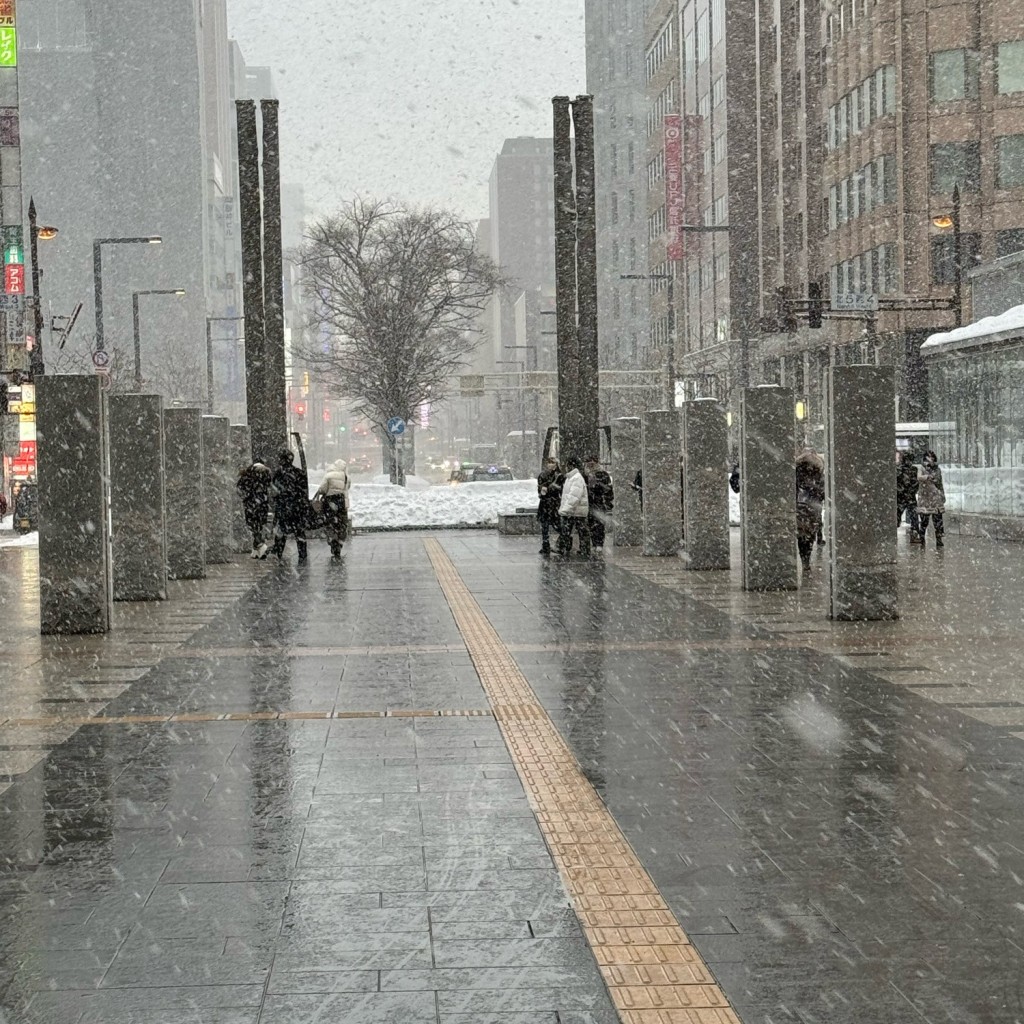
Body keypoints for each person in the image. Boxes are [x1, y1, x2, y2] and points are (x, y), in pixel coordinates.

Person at [270, 449, 309, 563]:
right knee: (299, 531)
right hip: (297, 507)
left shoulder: (278, 474)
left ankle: (278, 553)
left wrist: (278, 500)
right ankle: (302, 554)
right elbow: (303, 491)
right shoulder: (299, 473)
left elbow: (275, 491)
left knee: (281, 531)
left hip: (283, 507)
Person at [314, 459, 352, 559]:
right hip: (342, 504)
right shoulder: (346, 477)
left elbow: (322, 489)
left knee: (330, 524)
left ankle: (332, 541)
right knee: (342, 525)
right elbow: (347, 488)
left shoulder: (328, 475)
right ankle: (339, 543)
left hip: (330, 504)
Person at [795, 448, 825, 572]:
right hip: (813, 508)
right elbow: (822, 491)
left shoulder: (797, 473)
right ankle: (806, 559)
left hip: (800, 506)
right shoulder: (818, 474)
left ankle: (805, 560)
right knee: (809, 535)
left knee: (803, 536)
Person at [237, 460, 273, 558]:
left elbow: (239, 488)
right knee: (259, 526)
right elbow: (269, 487)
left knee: (253, 527)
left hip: (250, 505)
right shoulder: (266, 474)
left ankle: (261, 546)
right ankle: (256, 550)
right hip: (263, 504)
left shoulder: (247, 474)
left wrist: (246, 497)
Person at [558, 455, 591, 556]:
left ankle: (564, 547)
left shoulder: (575, 478)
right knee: (580, 530)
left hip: (576, 511)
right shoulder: (572, 477)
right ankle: (582, 549)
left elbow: (574, 496)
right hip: (576, 510)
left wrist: (565, 509)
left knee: (569, 529)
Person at [916, 450, 945, 548]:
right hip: (925, 496)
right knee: (924, 520)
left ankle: (939, 538)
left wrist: (942, 494)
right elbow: (919, 477)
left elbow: (940, 483)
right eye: (928, 457)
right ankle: (922, 537)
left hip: (935, 496)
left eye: (932, 457)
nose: (930, 459)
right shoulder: (921, 468)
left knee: (938, 520)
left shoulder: (937, 469)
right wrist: (927, 476)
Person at [584, 456, 614, 549]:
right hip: (587, 503)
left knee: (599, 524)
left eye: (594, 460)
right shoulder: (584, 475)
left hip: (599, 502)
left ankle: (599, 544)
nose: (591, 463)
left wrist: (607, 503)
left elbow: (608, 490)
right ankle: (592, 544)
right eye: (589, 461)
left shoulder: (603, 474)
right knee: (589, 524)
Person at [536, 457, 563, 556]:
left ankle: (563, 542)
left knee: (557, 525)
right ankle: (545, 545)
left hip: (554, 503)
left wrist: (551, 488)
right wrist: (542, 490)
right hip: (545, 503)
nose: (551, 465)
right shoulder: (543, 475)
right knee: (545, 526)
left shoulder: (559, 476)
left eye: (553, 463)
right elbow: (540, 488)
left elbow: (560, 489)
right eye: (549, 463)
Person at [896, 449, 920, 542]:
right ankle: (914, 535)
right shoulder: (913, 469)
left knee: (898, 516)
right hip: (909, 496)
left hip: (901, 497)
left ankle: (914, 534)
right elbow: (915, 483)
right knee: (913, 517)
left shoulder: (899, 469)